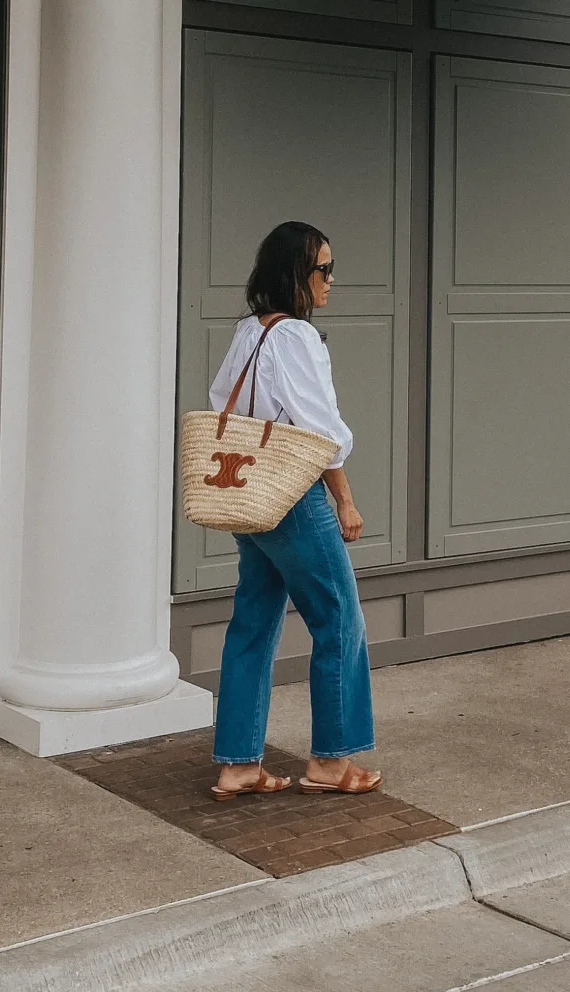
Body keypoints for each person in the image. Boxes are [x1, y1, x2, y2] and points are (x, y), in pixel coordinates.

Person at [208, 221, 381, 801]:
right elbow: (318, 432)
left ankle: (238, 765)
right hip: (293, 495)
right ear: (296, 275)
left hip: (248, 496)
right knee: (339, 619)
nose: (331, 280)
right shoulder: (298, 338)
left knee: (253, 622)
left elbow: (222, 407)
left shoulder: (246, 333)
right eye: (323, 269)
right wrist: (346, 500)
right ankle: (332, 762)